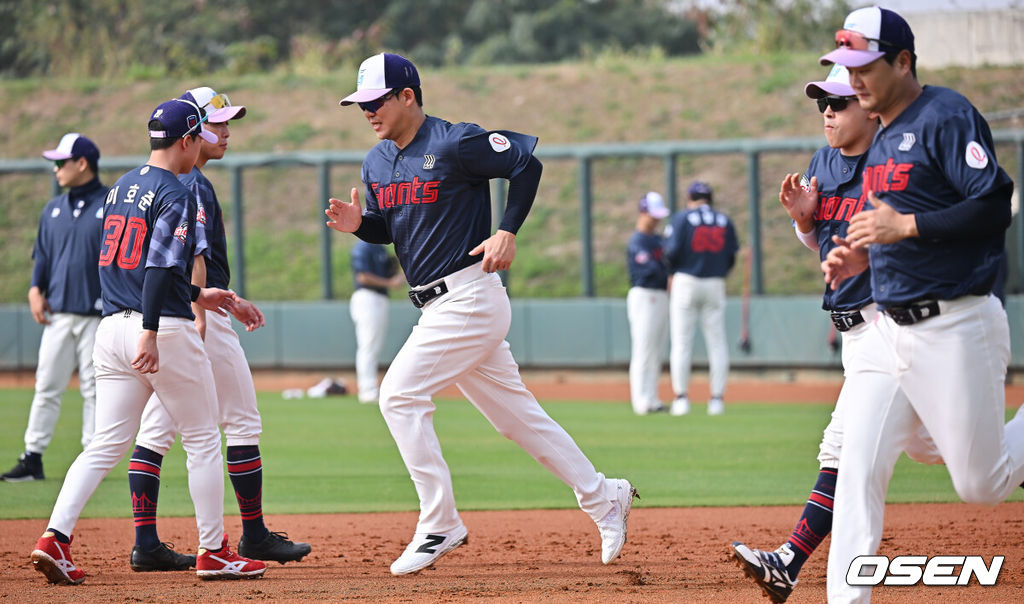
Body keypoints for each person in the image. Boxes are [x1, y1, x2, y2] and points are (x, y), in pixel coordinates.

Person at [326, 52, 637, 576]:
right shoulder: (376, 161)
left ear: (408, 96)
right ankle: (605, 496)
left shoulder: (455, 141)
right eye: (361, 104)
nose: (368, 111)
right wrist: (361, 225)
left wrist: (507, 229)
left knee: (398, 395)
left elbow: (526, 164)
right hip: (436, 305)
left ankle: (440, 522)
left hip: (469, 295)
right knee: (517, 419)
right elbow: (388, 228)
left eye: (376, 100)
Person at [818, 7, 1024, 603]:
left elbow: (994, 205)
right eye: (846, 67)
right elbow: (888, 229)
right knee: (857, 470)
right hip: (889, 332)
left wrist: (905, 226)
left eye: (864, 66)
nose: (853, 79)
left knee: (982, 485)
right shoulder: (882, 138)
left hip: (957, 325)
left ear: (903, 61)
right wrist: (861, 259)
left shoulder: (946, 115)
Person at [29, 97, 267, 585]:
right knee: (203, 439)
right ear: (187, 140)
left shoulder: (119, 187)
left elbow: (130, 265)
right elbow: (158, 268)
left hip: (109, 327)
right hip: (159, 328)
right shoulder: (177, 191)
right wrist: (153, 331)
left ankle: (55, 537)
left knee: (105, 443)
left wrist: (202, 295)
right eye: (198, 137)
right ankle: (214, 551)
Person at [729, 63, 941, 604]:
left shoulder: (895, 162)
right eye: (822, 102)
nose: (827, 111)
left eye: (839, 102)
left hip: (891, 325)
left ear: (868, 108)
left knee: (844, 448)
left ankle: (788, 563)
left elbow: (923, 240)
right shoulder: (822, 162)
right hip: (853, 332)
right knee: (936, 447)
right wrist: (805, 221)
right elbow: (820, 242)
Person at [127, 86, 310, 572]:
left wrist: (221, 299)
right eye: (216, 123)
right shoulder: (191, 183)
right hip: (195, 317)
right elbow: (194, 258)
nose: (226, 131)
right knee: (240, 421)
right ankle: (252, 536)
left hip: (177, 312)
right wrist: (202, 314)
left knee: (157, 429)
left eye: (228, 122)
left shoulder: (167, 180)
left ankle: (146, 543)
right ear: (191, 129)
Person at [2, 135, 106, 483]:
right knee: (47, 385)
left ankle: (93, 458)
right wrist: (35, 288)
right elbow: (43, 256)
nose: (56, 169)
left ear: (82, 163)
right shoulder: (53, 209)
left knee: (95, 389)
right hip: (58, 312)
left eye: (62, 162)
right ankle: (32, 457)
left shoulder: (111, 204)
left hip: (98, 315)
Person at [664, 181, 738, 416]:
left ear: (689, 198)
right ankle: (716, 400)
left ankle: (681, 399)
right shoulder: (724, 219)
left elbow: (671, 250)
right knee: (717, 343)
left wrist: (671, 272)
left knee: (681, 342)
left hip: (686, 280)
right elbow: (731, 255)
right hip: (715, 282)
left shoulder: (682, 218)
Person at [626, 191, 671, 415]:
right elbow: (651, 270)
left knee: (656, 351)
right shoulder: (638, 241)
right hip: (644, 294)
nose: (656, 220)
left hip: (661, 295)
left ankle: (652, 398)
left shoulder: (658, 239)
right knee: (643, 349)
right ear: (642, 213)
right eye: (653, 215)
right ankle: (640, 400)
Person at [350, 240, 404, 403]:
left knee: (374, 346)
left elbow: (389, 272)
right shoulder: (363, 247)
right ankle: (367, 390)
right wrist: (390, 283)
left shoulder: (379, 247)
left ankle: (370, 388)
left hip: (379, 298)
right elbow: (363, 277)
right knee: (368, 345)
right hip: (367, 298)